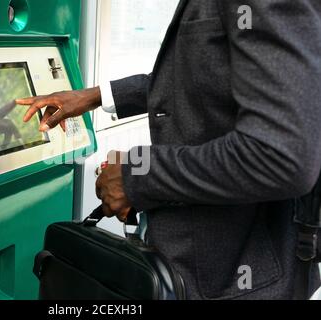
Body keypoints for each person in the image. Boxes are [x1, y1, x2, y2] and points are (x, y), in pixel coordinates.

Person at [16, 0, 321, 299]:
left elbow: (280, 155)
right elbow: (207, 81)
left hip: (236, 275)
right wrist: (96, 96)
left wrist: (137, 176)